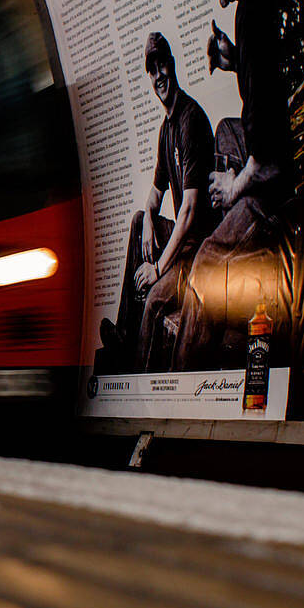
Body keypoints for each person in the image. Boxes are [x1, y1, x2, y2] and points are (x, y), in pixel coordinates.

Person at [174, 0, 295, 369]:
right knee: (226, 131)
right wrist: (234, 59)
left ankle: (178, 391)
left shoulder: (253, 9)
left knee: (204, 265)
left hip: (279, 185)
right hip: (274, 144)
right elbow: (267, 73)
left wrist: (233, 185)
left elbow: (269, 162)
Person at [98, 32, 215, 372]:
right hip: (182, 242)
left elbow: (190, 211)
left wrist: (158, 267)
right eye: (152, 69)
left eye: (162, 63)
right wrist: (149, 218)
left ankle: (138, 376)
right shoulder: (166, 129)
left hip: (197, 251)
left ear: (172, 64)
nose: (158, 74)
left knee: (152, 300)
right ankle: (123, 335)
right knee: (137, 219)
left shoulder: (191, 119)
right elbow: (153, 196)